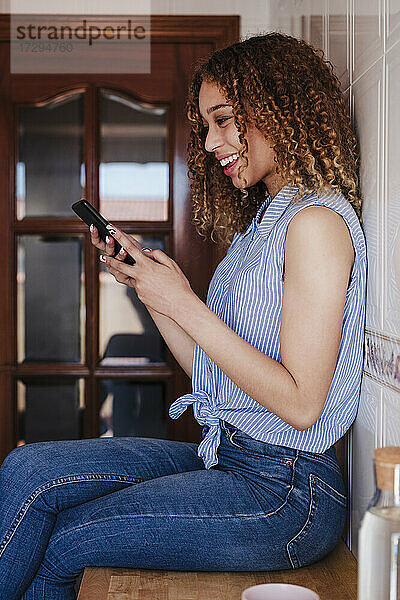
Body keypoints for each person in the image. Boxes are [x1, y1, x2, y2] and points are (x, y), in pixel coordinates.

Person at [0, 32, 367, 599]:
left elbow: (300, 404)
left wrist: (183, 302)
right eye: (207, 126)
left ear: (280, 104)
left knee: (65, 544)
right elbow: (212, 373)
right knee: (24, 476)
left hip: (287, 491)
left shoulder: (316, 223)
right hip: (229, 455)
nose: (213, 141)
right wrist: (154, 292)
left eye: (225, 119)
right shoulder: (267, 222)